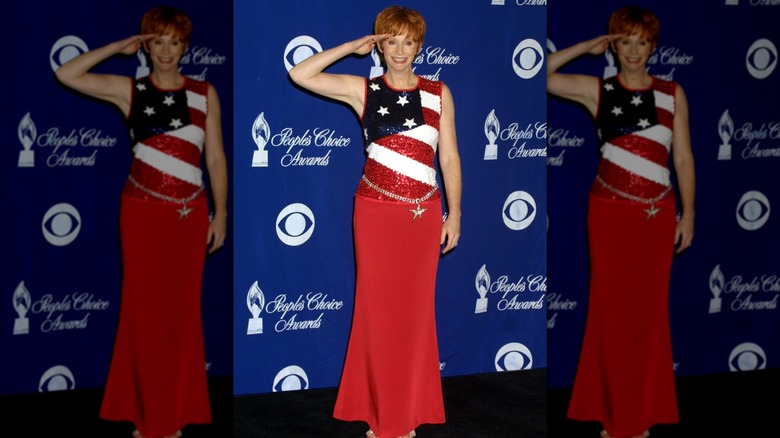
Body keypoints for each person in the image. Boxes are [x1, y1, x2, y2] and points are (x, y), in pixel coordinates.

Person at [55, 5, 228, 438]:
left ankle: (172, 411)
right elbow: (67, 74)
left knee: (181, 316)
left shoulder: (204, 92)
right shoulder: (128, 89)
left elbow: (215, 158)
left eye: (174, 42)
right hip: (142, 215)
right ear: (146, 45)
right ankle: (146, 412)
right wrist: (117, 48)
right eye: (157, 41)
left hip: (189, 217)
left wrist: (221, 214)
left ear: (186, 47)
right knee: (144, 314)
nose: (166, 51)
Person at [289, 5, 461, 438]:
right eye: (391, 41)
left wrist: (455, 213)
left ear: (420, 46)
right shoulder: (362, 88)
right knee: (377, 314)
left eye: (408, 41)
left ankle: (406, 412)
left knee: (415, 316)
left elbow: (450, 157)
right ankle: (381, 412)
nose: (399, 50)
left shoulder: (439, 92)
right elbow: (300, 74)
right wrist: (351, 48)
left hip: (422, 218)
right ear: (380, 44)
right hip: (375, 215)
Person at [547, 6, 695, 438]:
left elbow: (683, 157)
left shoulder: (672, 93)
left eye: (641, 42)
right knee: (611, 314)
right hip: (609, 214)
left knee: (647, 316)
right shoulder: (598, 90)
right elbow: (540, 75)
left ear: (653, 46)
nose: (633, 51)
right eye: (624, 41)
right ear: (614, 44)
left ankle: (641, 411)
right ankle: (613, 413)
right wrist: (584, 48)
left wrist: (690, 214)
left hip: (658, 215)